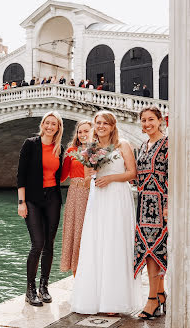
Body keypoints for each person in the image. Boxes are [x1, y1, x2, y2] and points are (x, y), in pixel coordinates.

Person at [71, 110, 142, 314]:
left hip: (118, 196)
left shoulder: (123, 145)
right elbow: (86, 178)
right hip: (98, 197)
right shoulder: (90, 149)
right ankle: (94, 298)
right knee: (96, 242)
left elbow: (132, 173)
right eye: (98, 122)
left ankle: (114, 301)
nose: (101, 126)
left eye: (105, 123)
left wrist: (110, 178)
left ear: (112, 126)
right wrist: (92, 175)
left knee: (115, 243)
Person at [17, 111, 64, 307]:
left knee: (49, 244)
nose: (50, 126)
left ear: (58, 128)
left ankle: (44, 286)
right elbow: (21, 174)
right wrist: (21, 202)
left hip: (52, 198)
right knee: (37, 243)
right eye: (47, 122)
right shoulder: (30, 144)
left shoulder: (59, 148)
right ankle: (30, 289)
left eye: (54, 124)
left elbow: (61, 174)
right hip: (33, 200)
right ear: (42, 124)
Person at [134, 107, 168, 319]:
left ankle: (152, 299)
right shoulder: (142, 145)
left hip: (160, 204)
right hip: (143, 204)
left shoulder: (168, 144)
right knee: (149, 250)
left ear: (160, 121)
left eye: (151, 120)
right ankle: (160, 293)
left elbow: (174, 174)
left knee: (156, 251)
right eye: (144, 120)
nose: (147, 124)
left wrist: (168, 205)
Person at [60, 120, 92, 277]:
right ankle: (76, 273)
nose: (83, 134)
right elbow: (62, 176)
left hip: (94, 193)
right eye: (80, 132)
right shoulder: (71, 150)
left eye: (86, 131)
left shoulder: (99, 151)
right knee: (76, 231)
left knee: (90, 232)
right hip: (75, 195)